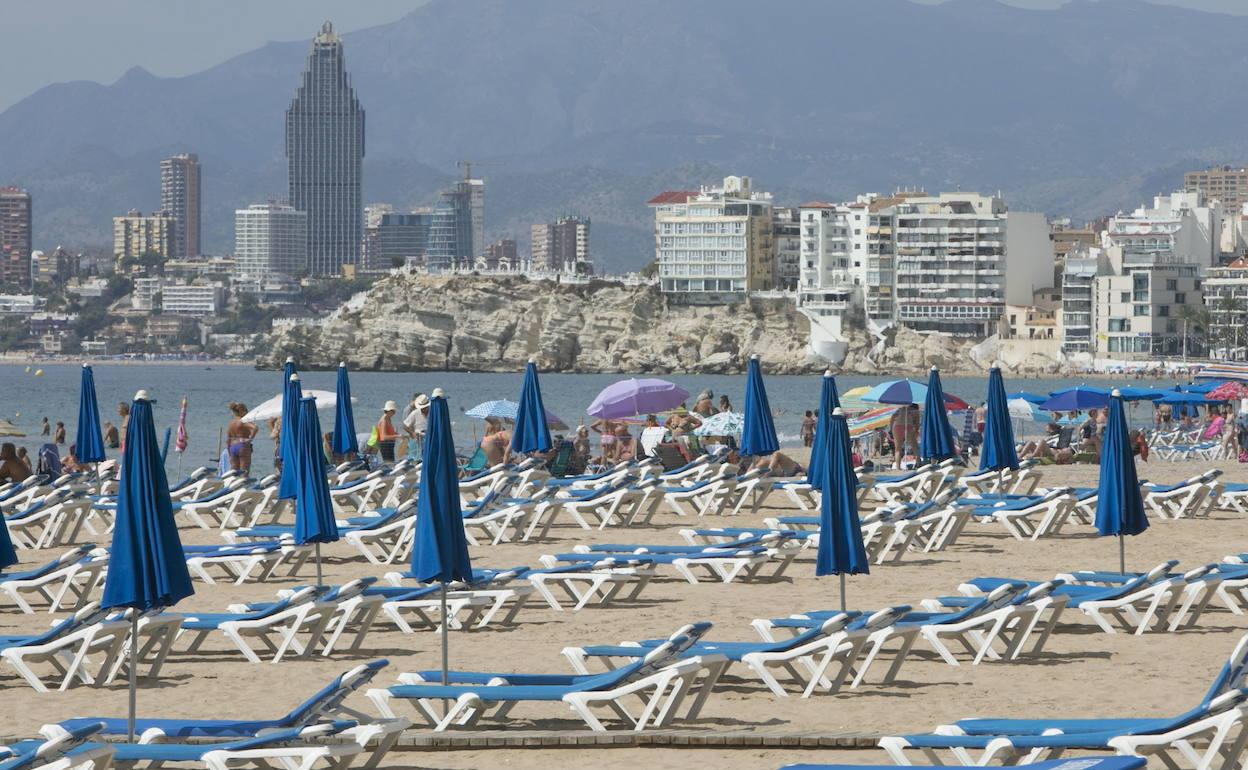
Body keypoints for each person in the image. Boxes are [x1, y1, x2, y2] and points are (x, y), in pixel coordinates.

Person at [225, 402, 258, 475]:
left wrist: (229, 452)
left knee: (234, 472)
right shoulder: (243, 421)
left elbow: (228, 439)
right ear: (242, 411)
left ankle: (232, 485)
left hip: (232, 446)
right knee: (244, 471)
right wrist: (250, 439)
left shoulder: (231, 423)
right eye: (246, 411)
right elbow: (255, 428)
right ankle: (243, 485)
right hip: (242, 445)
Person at [403, 394, 430, 458]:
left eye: (424, 408)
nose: (423, 409)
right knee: (418, 457)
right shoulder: (415, 413)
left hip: (430, 437)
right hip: (419, 439)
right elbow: (405, 425)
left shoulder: (433, 412)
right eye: (422, 408)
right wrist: (412, 433)